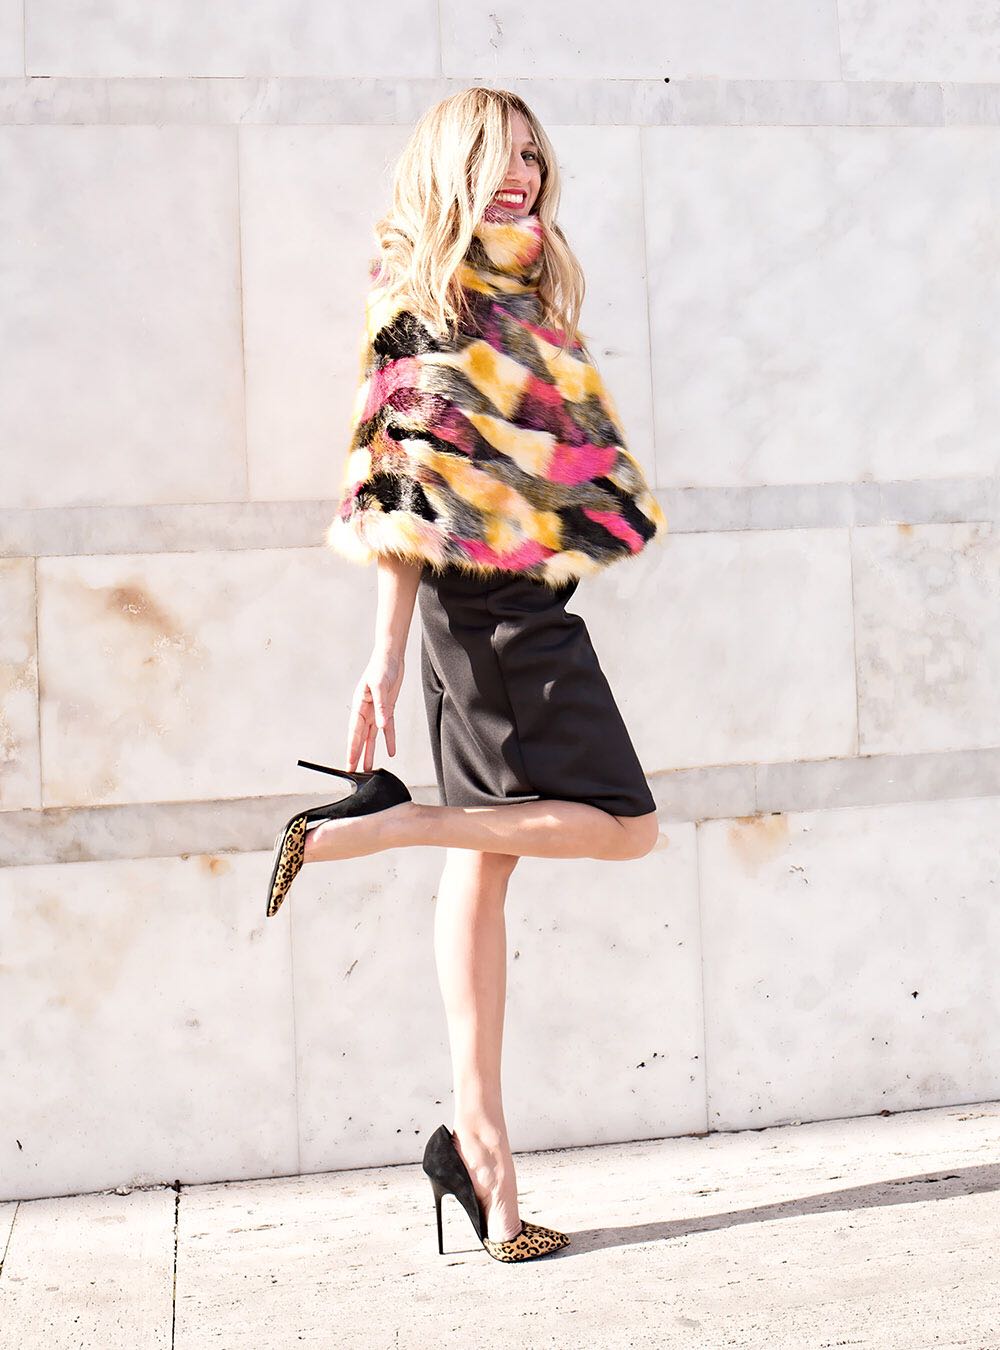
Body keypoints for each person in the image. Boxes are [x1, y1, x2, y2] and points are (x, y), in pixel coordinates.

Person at [264, 88, 668, 1263]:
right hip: (489, 617)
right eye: (498, 155)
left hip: (514, 604)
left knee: (486, 863)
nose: (522, 174)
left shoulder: (525, 291)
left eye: (532, 155)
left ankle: (481, 1152)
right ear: (452, 166)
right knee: (625, 828)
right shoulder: (422, 301)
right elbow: (400, 492)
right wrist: (383, 657)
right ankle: (386, 825)